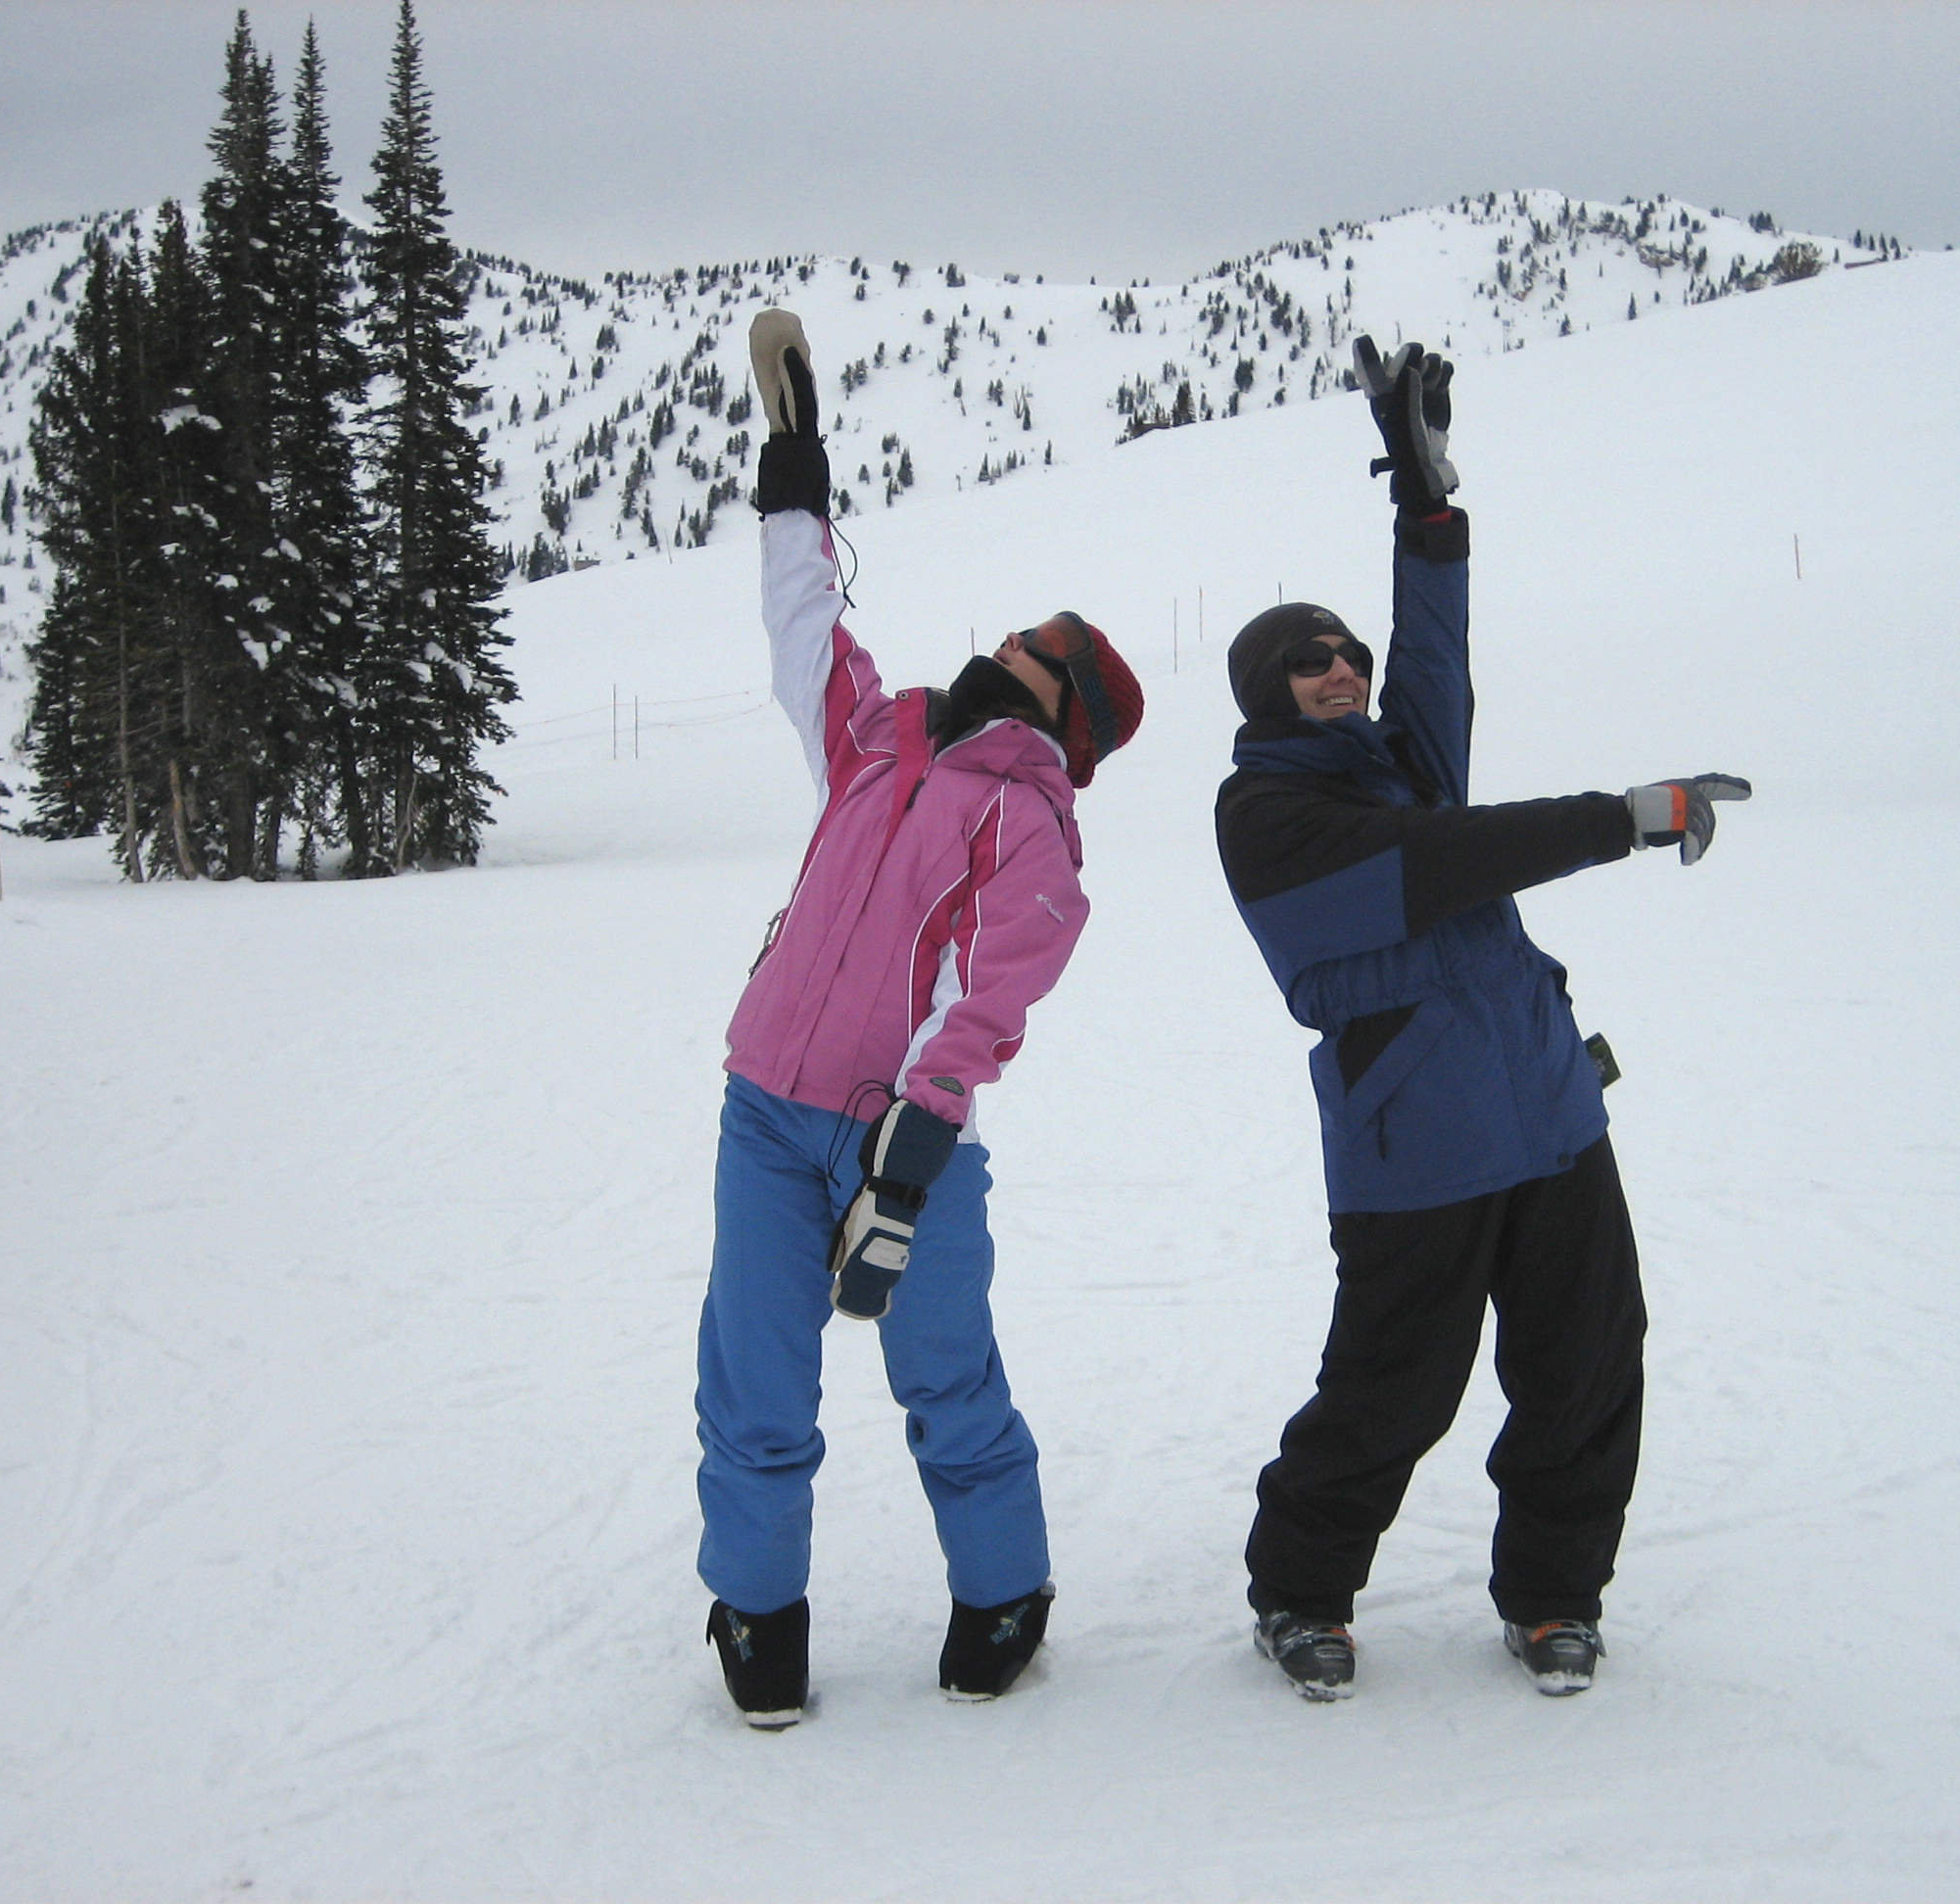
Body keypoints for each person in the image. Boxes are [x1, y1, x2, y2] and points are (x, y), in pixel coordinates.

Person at [1215, 333, 1748, 1702]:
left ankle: (1556, 1596)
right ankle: (1300, 1592)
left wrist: (1427, 504)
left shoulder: (1403, 768)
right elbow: (1441, 864)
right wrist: (1620, 819)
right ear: (1268, 693)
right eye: (1309, 661)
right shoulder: (1268, 816)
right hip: (1419, 1140)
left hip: (1546, 1105)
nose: (1342, 668)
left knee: (1588, 1362)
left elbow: (1436, 655)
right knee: (1396, 1388)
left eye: (1346, 651)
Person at [694, 310, 1144, 1729]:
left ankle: (1004, 1593)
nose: (1013, 639)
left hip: (906, 1144)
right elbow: (805, 635)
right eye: (1024, 626)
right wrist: (795, 478)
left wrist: (913, 1147)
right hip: (767, 1114)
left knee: (947, 1379)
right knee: (754, 1382)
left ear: (1068, 709)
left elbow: (988, 994)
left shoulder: (1032, 820)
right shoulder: (880, 735)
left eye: (1045, 646)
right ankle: (759, 1616)